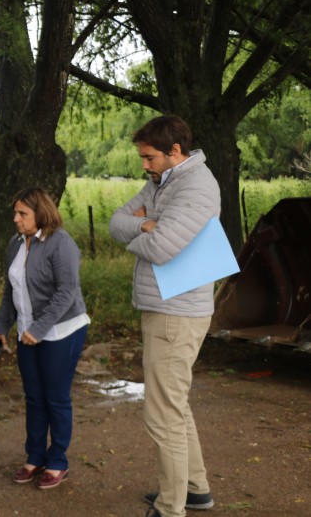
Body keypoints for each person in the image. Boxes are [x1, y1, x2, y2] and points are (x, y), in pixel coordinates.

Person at [109, 115, 217, 517]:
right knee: (175, 406)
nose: (143, 165)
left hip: (176, 312)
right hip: (164, 306)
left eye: (149, 157)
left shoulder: (196, 187)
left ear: (176, 151)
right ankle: (195, 489)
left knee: (162, 414)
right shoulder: (162, 181)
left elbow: (161, 249)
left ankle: (172, 508)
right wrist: (145, 225)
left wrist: (144, 228)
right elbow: (115, 221)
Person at [0, 187, 89, 491]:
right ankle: (34, 457)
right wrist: (2, 328)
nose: (15, 219)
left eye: (23, 213)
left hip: (62, 330)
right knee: (34, 397)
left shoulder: (61, 243)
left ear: (41, 213)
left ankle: (58, 460)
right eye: (15, 213)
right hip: (27, 332)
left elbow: (66, 293)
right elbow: (10, 290)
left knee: (55, 398)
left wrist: (40, 329)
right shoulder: (15, 243)